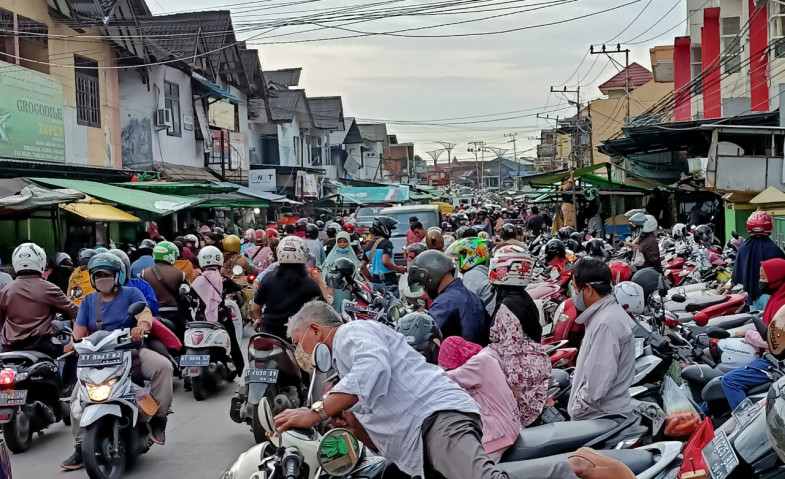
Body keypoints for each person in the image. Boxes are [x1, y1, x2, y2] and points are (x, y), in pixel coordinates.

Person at [274, 300, 634, 479]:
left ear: (317, 331)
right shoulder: (347, 368)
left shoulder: (352, 334)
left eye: (298, 341)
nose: (301, 352)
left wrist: (315, 411)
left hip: (438, 419)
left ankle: (577, 467)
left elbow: (373, 368)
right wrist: (350, 425)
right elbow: (380, 437)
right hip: (421, 437)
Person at [61, 253, 173, 470]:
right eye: (98, 275)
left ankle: (158, 419)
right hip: (95, 357)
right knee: (76, 399)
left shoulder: (132, 293)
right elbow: (79, 330)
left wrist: (142, 327)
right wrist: (72, 342)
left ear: (118, 276)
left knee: (164, 367)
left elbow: (144, 313)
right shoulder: (88, 301)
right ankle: (80, 446)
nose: (102, 278)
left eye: (107, 274)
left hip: (131, 352)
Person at [487, 245, 552, 426]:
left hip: (522, 382)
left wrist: (514, 391)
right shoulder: (523, 298)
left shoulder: (508, 306)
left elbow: (511, 351)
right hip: (534, 371)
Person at [568, 257, 635, 420]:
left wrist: (578, 408)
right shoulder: (606, 315)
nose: (574, 294)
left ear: (589, 289)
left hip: (599, 416)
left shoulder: (606, 324)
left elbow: (597, 382)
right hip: (602, 412)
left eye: (576, 288)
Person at [438, 336, 519, 463]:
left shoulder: (477, 364)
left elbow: (448, 378)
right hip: (510, 422)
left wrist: (423, 376)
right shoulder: (487, 356)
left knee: (470, 469)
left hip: (499, 433)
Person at [722, 258, 785, 409]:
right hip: (771, 355)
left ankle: (744, 421)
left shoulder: (781, 305)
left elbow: (774, 341)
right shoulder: (776, 297)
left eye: (764, 278)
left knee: (729, 381)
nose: (760, 281)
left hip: (777, 361)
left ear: (778, 278)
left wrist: (748, 335)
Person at [0, 243, 78, 357]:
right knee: (74, 352)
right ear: (41, 260)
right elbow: (75, 312)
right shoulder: (49, 288)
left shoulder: (6, 290)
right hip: (41, 346)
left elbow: (2, 321)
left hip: (10, 347)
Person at [409, 250, 488, 345]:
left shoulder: (444, 303)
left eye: (423, 284)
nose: (424, 289)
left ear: (431, 276)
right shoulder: (472, 296)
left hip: (457, 358)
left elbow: (423, 335)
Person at [252, 235, 323, 339]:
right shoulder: (310, 283)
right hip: (297, 337)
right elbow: (324, 310)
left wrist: (260, 319)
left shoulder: (268, 278)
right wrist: (320, 282)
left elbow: (255, 308)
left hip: (268, 334)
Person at [192, 246, 244, 372]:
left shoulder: (197, 281)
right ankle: (242, 374)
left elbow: (191, 299)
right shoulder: (224, 280)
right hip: (222, 318)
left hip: (200, 318)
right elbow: (238, 289)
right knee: (233, 344)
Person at [734, 211, 785, 309]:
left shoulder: (743, 247)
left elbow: (737, 274)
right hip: (772, 297)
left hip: (750, 297)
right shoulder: (774, 249)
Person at [142, 241, 190, 339]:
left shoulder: (144, 273)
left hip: (152, 314)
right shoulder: (180, 274)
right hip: (175, 314)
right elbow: (187, 293)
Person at [449, 237, 496, 316]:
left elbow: (462, 305)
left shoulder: (472, 276)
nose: (457, 264)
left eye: (458, 259)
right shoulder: (483, 271)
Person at [360, 217, 405, 295]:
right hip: (389, 281)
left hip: (375, 282)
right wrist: (398, 269)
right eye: (390, 230)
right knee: (394, 305)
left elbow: (363, 267)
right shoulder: (386, 243)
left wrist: (372, 280)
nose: (390, 232)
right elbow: (385, 261)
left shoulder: (368, 246)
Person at [108, 249, 159, 316]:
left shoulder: (140, 285)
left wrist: (136, 306)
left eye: (118, 271)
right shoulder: (96, 294)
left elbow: (153, 307)